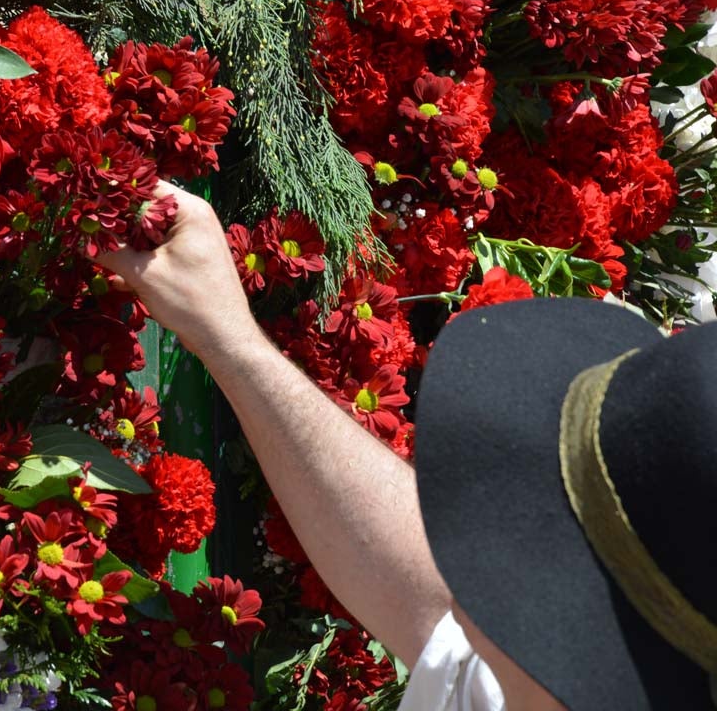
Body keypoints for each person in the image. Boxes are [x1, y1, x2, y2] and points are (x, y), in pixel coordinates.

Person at [96, 182, 717, 710]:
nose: (483, 565)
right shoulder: (530, 683)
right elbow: (427, 599)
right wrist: (231, 339)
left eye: (545, 548)